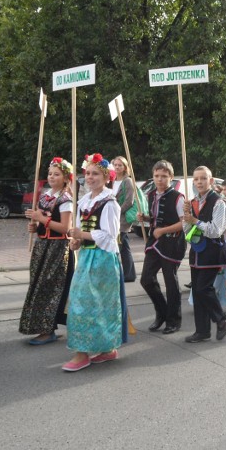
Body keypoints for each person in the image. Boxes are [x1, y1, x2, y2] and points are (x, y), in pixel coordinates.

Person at [62, 153, 123, 371]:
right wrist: (76, 241)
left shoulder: (110, 203)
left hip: (104, 260)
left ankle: (90, 352)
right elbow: (81, 233)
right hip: (87, 257)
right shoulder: (84, 201)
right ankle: (100, 349)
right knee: (83, 302)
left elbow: (109, 236)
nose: (90, 177)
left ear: (106, 177)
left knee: (93, 304)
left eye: (95, 173)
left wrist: (83, 235)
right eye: (87, 173)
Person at [19, 157, 74, 345]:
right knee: (37, 285)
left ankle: (48, 329)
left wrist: (41, 219)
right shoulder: (44, 195)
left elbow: (66, 227)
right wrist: (34, 227)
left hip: (58, 248)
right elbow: (40, 222)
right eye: (50, 173)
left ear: (65, 177)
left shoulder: (66, 199)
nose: (51, 177)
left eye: (56, 174)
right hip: (42, 246)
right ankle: (39, 326)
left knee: (50, 288)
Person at [183, 166, 226, 343]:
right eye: (196, 179)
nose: (200, 182)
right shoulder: (193, 202)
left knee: (203, 288)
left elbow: (216, 230)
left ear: (211, 180)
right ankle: (202, 331)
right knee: (197, 291)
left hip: (212, 251)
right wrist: (186, 215)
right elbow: (187, 230)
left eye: (203, 178)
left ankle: (221, 318)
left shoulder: (219, 202)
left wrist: (195, 220)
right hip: (197, 251)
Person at [138, 160, 186, 334]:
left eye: (164, 176)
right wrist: (144, 218)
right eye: (157, 176)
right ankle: (162, 313)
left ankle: (174, 320)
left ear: (171, 178)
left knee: (170, 282)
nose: (160, 180)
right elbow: (156, 217)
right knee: (146, 279)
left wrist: (163, 230)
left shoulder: (178, 198)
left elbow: (184, 224)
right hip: (155, 242)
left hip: (173, 243)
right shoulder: (150, 195)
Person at [112, 156, 137, 282]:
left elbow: (129, 201)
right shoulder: (112, 180)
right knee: (119, 245)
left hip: (122, 218)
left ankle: (129, 274)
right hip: (112, 218)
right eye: (115, 165)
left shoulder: (127, 181)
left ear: (125, 167)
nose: (117, 167)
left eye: (120, 165)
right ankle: (126, 273)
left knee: (123, 245)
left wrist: (117, 211)